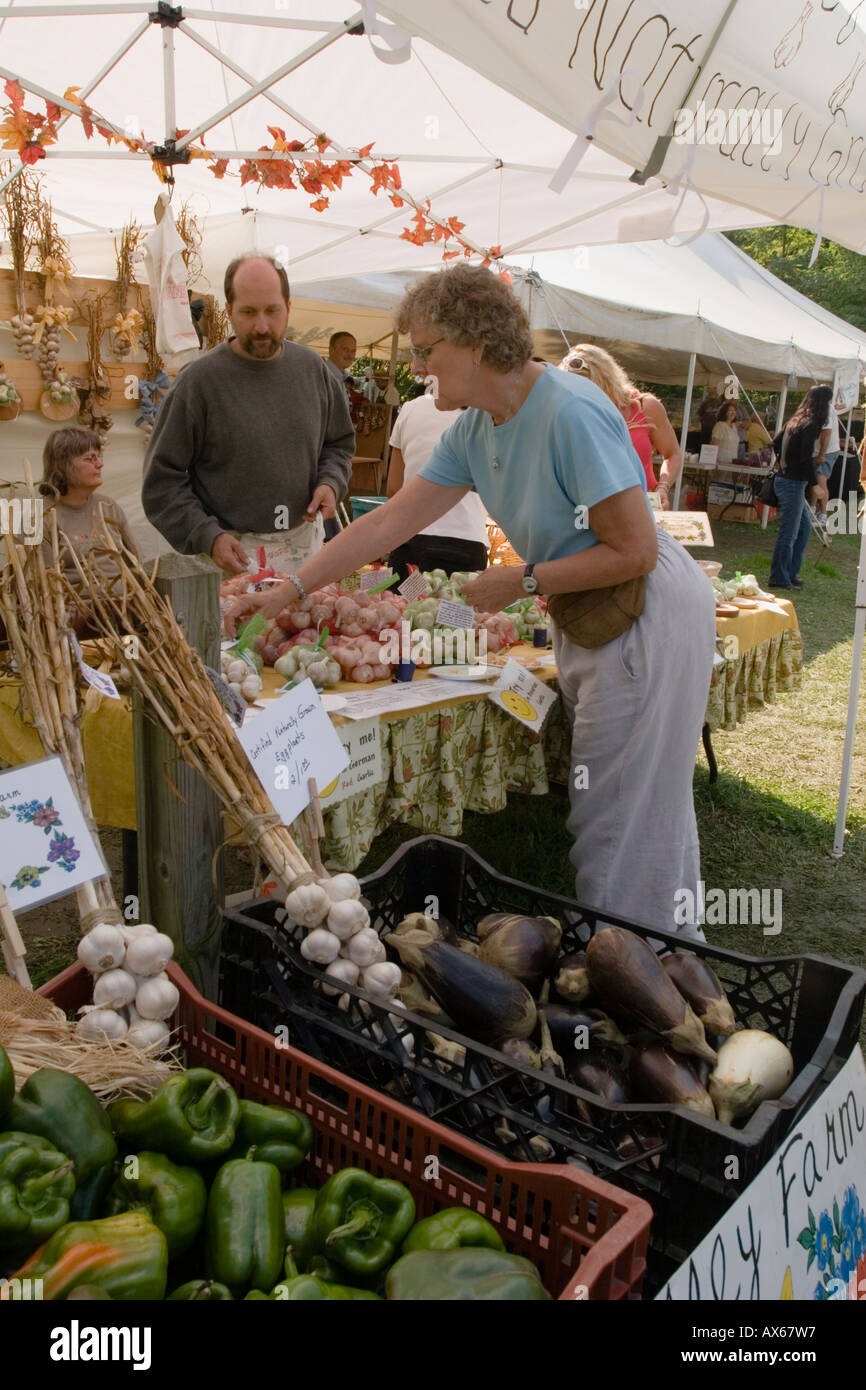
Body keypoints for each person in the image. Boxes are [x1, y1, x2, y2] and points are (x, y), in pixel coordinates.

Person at [226, 264, 716, 938]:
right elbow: (384, 525)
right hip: (598, 612)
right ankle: (664, 957)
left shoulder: (569, 410)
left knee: (619, 811)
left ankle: (632, 969)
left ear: (479, 343)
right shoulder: (476, 428)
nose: (420, 367)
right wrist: (286, 591)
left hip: (645, 613)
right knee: (636, 804)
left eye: (427, 350)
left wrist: (524, 580)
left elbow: (635, 550)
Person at [142, 255, 355, 575]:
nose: (262, 326)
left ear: (288, 307)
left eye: (272, 311)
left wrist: (330, 481)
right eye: (248, 312)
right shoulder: (198, 382)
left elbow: (338, 444)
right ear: (229, 311)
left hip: (305, 553)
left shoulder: (313, 370)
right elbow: (161, 483)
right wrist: (207, 536)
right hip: (230, 560)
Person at [559, 345, 682, 509]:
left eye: (585, 385)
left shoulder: (644, 407)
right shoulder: (572, 414)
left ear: (606, 379)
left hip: (642, 509)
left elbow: (673, 453)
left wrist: (663, 487)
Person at [40, 427, 139, 629]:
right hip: (72, 623)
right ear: (63, 465)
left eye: (99, 457)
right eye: (90, 458)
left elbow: (135, 565)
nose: (100, 464)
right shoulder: (38, 515)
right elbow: (41, 587)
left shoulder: (109, 507)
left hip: (125, 615)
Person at [386, 392, 489, 579]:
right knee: (456, 607)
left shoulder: (410, 409)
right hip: (467, 539)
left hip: (411, 537)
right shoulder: (486, 414)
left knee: (400, 606)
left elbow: (394, 489)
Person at [769, 385, 832, 590]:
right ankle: (779, 577)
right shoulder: (811, 424)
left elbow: (775, 442)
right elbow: (806, 458)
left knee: (804, 529)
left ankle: (790, 573)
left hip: (786, 480)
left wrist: (783, 461)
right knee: (789, 533)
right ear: (824, 404)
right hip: (793, 484)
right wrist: (814, 485)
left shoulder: (796, 419)